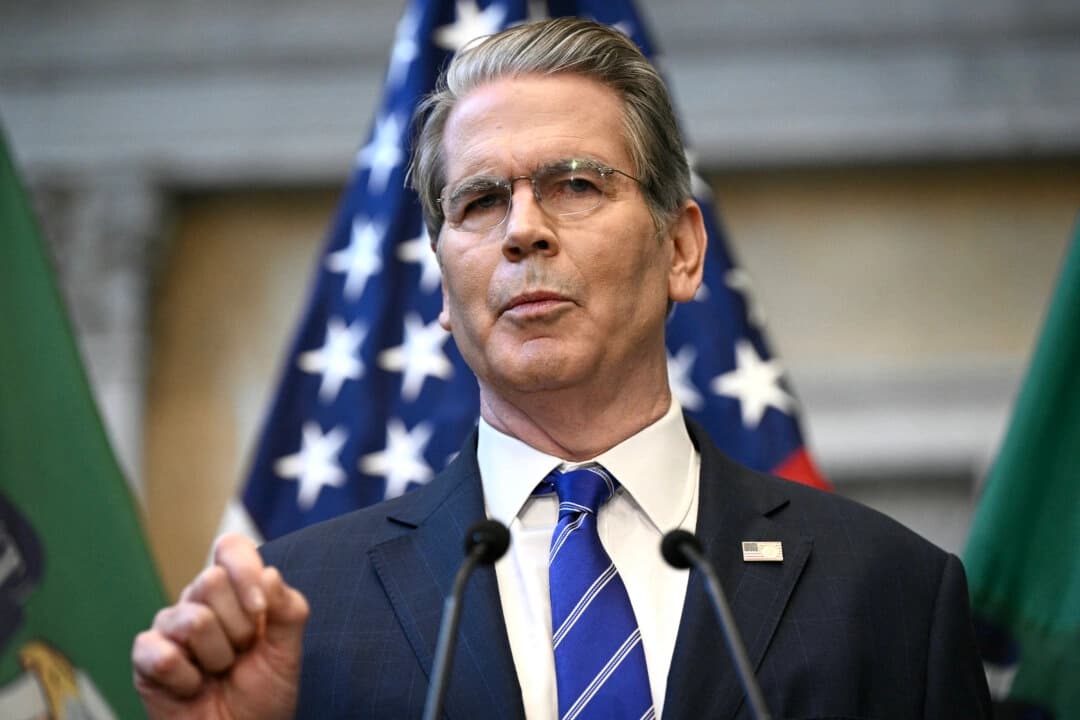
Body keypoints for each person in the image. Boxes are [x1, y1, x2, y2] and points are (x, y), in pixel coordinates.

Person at [131, 17, 991, 719]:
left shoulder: (891, 595)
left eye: (576, 184)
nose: (522, 230)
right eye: (478, 201)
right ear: (442, 285)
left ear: (682, 251)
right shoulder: (302, 610)